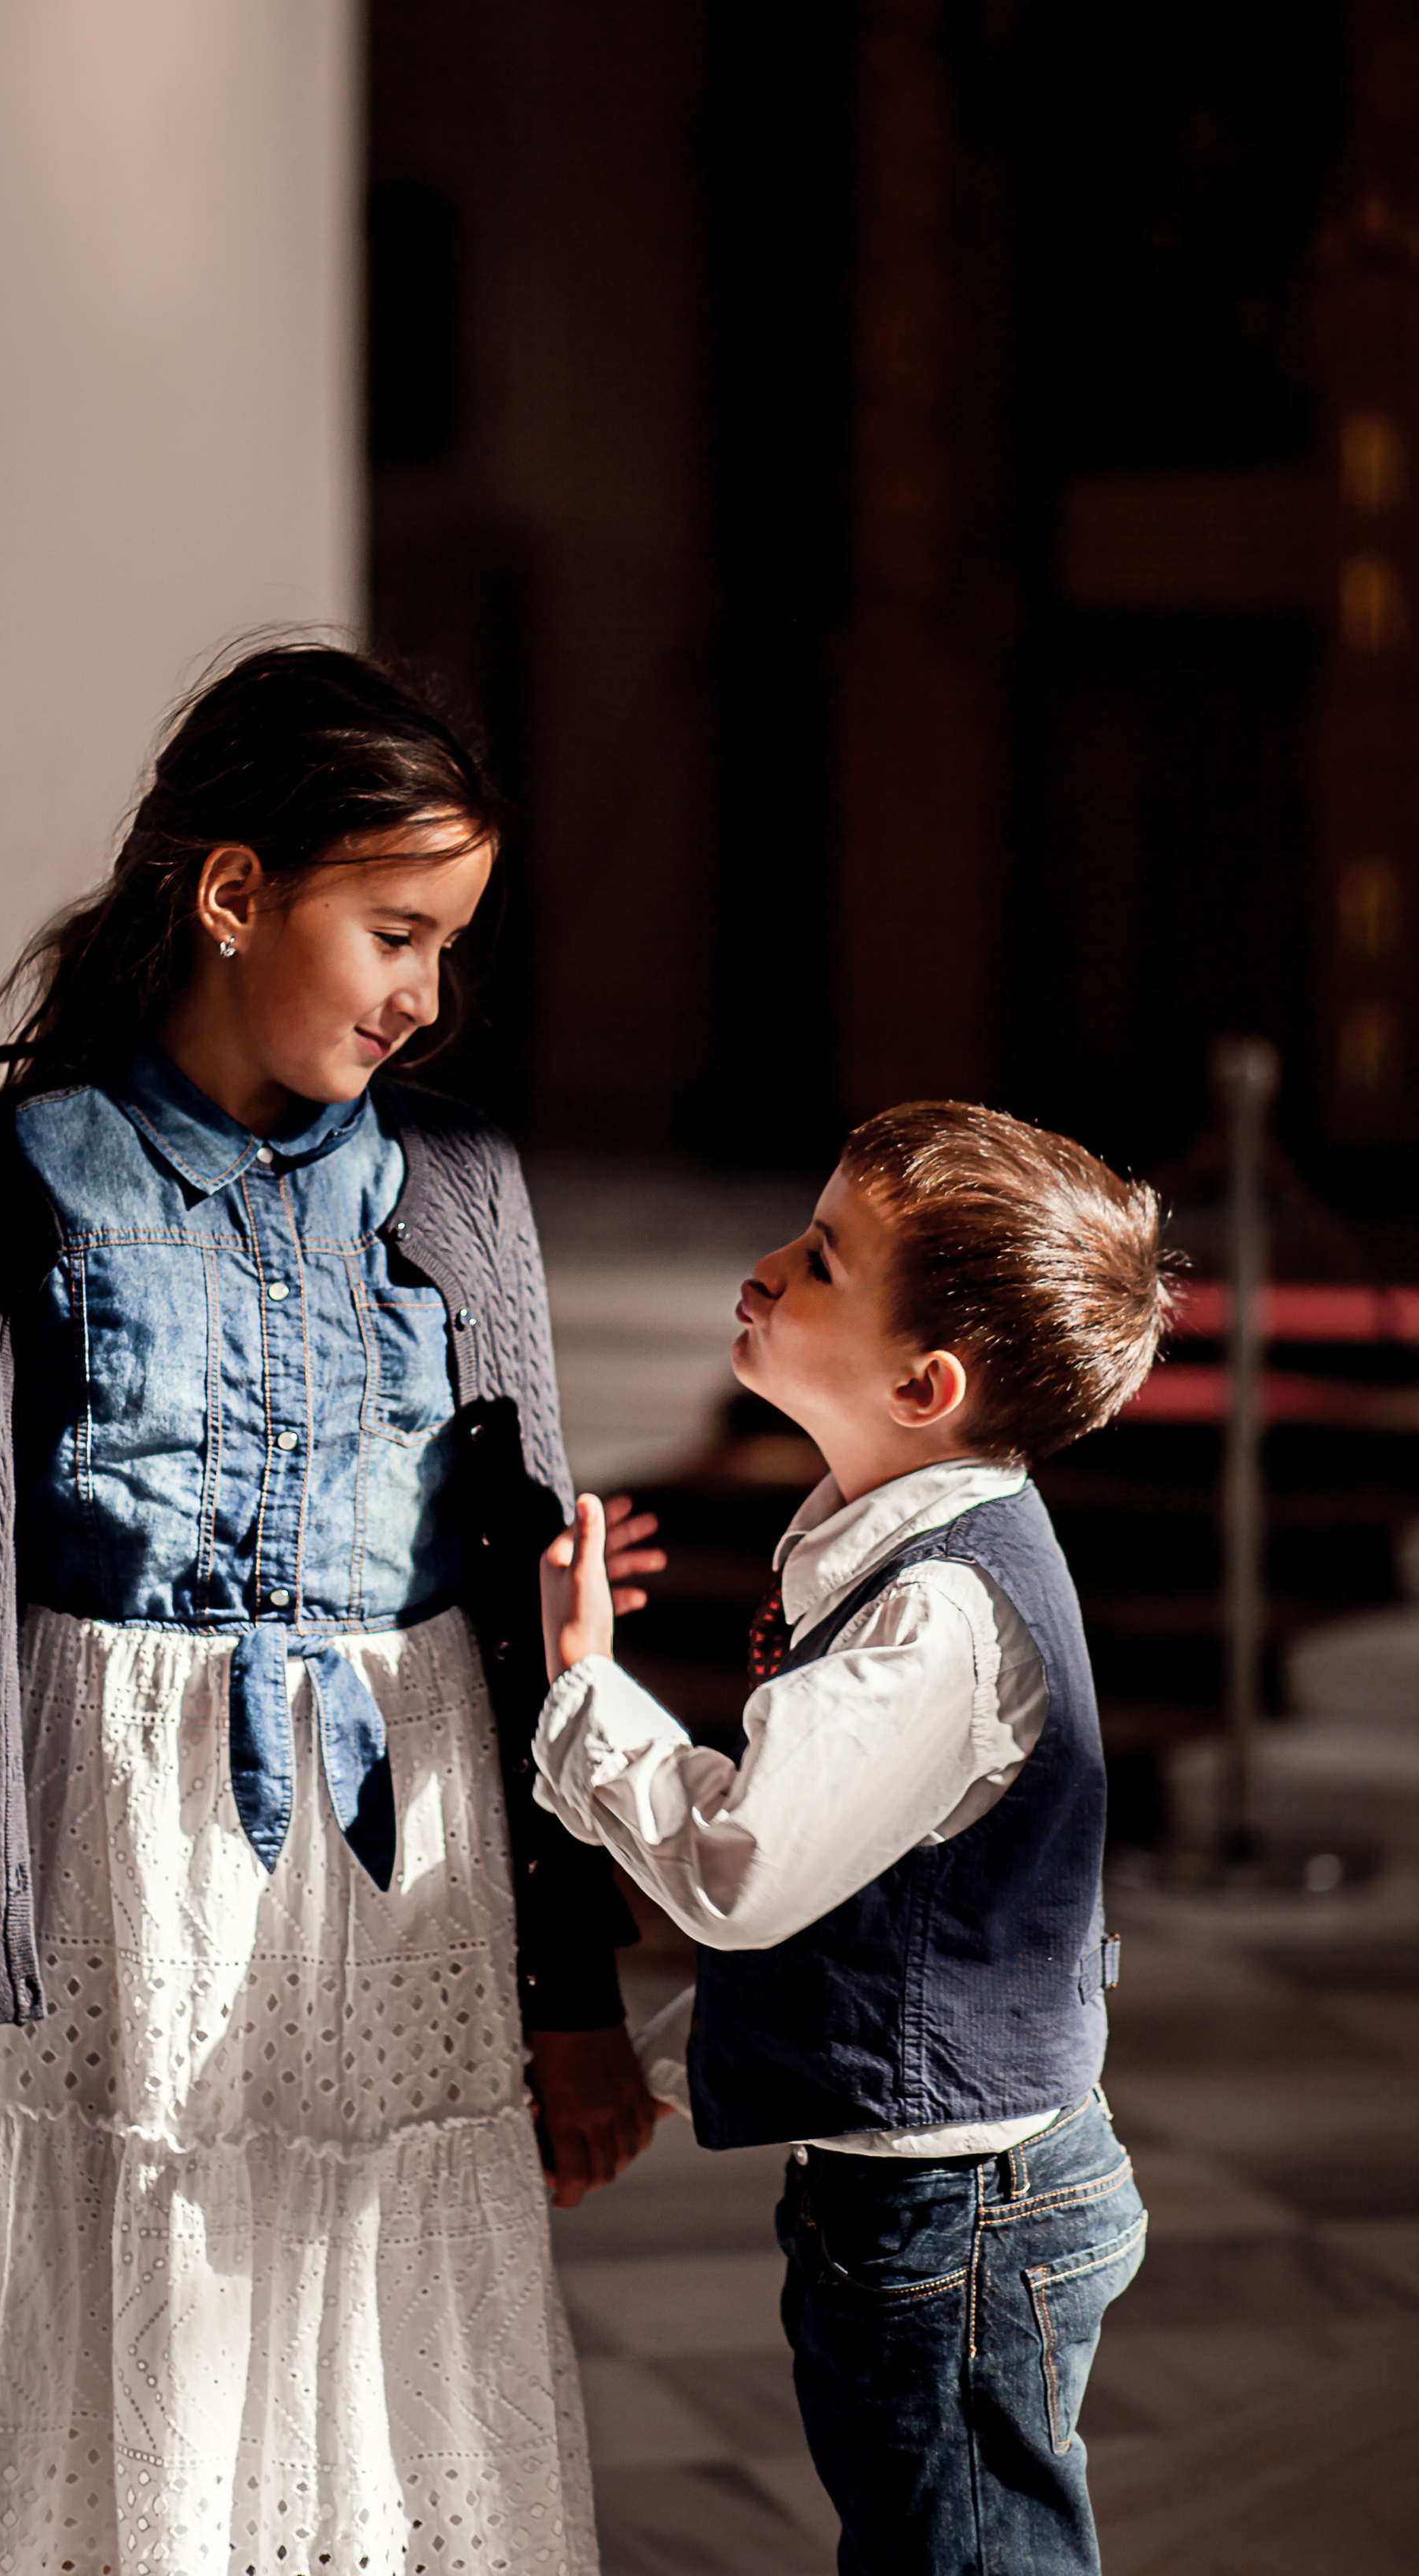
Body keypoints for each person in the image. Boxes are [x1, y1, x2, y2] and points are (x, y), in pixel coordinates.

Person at [0, 639, 660, 2576]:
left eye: (446, 947)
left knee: (378, 2317)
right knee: (155, 2299)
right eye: (394, 933)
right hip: (130, 1872)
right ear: (232, 894)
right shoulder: (16, 1189)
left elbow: (521, 1616)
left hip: (409, 1868)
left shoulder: (455, 1188)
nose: (424, 996)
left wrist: (571, 1997)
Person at [533, 1102, 1168, 2576]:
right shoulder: (897, 1546)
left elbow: (742, 1869)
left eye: (820, 1259)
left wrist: (581, 1680)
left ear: (923, 1384)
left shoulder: (938, 1611)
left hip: (958, 2225)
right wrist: (667, 2067)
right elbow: (854, 1915)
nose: (764, 1266)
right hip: (930, 2204)